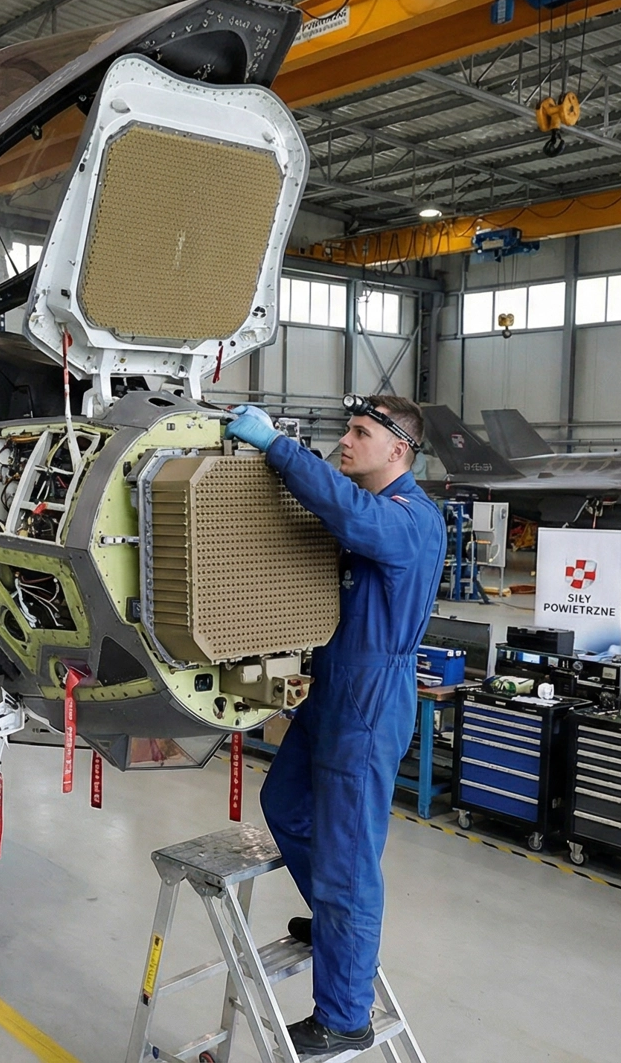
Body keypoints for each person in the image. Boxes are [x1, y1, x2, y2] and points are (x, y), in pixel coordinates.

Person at [224, 394, 445, 1055]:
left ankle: (345, 1015)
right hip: (332, 689)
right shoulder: (370, 512)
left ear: (398, 450)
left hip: (369, 702)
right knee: (285, 803)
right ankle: (336, 923)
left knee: (349, 857)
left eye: (360, 432)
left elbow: (351, 513)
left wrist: (277, 446)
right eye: (347, 429)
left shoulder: (409, 519)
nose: (345, 441)